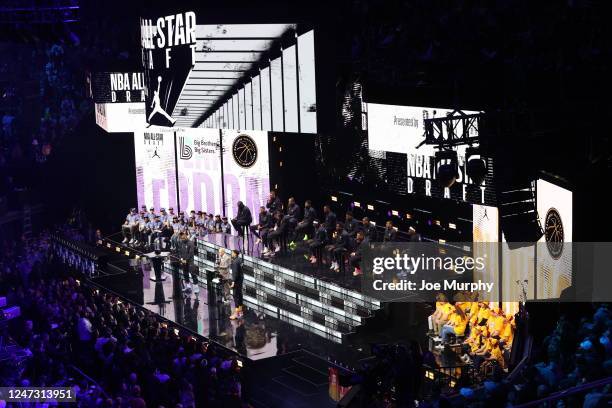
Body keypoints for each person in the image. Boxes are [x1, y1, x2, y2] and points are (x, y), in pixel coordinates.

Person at [229, 250, 244, 320]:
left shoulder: (235, 262)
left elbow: (235, 273)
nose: (231, 254)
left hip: (237, 281)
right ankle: (240, 311)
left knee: (235, 296)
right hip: (240, 279)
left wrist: (233, 282)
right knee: (240, 295)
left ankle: (236, 313)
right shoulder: (240, 260)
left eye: (232, 253)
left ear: (235, 254)